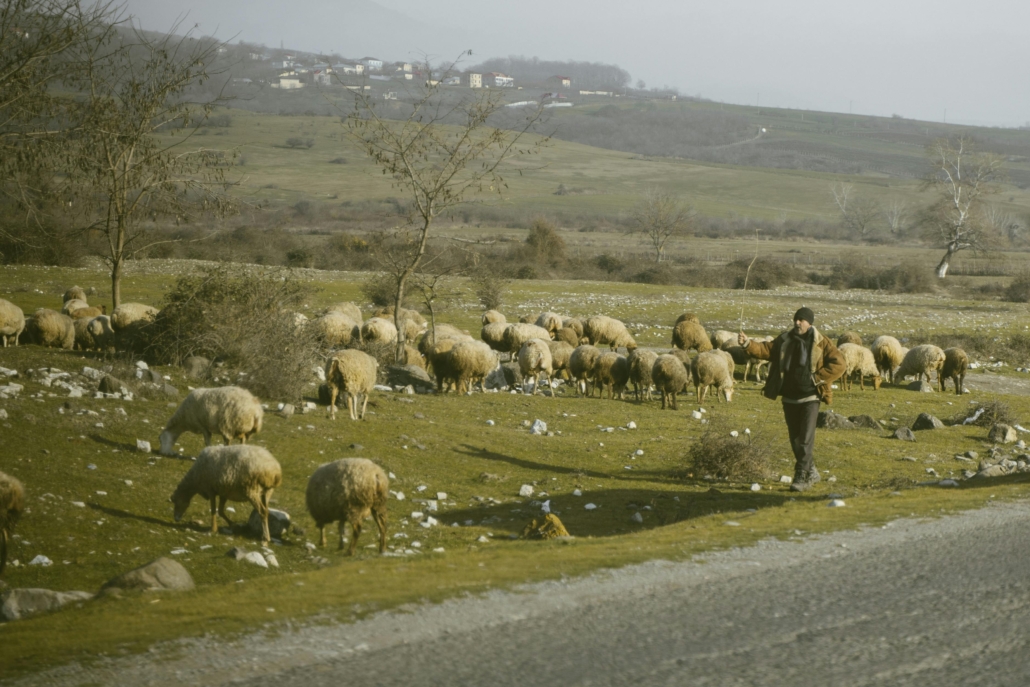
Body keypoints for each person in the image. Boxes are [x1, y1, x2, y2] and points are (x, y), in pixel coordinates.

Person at [738, 307, 845, 492]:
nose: (797, 323)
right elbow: (766, 349)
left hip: (810, 397)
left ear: (809, 323)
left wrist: (817, 378)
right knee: (795, 440)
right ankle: (811, 470)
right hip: (789, 397)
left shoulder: (821, 342)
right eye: (796, 319)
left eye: (801, 320)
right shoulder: (784, 339)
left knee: (805, 439)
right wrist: (748, 343)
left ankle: (801, 476)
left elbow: (840, 363)